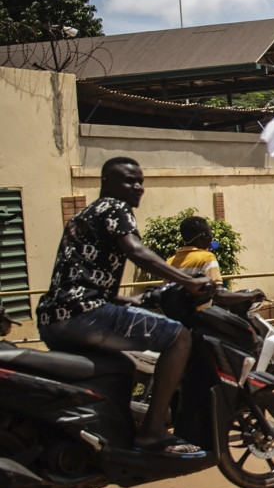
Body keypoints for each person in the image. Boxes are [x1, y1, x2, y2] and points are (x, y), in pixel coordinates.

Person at [37, 157, 214, 459]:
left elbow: (80, 278)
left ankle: (90, 464)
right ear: (106, 183)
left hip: (54, 318)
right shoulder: (114, 207)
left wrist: (129, 300)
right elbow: (136, 251)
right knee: (179, 337)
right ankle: (153, 431)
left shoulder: (84, 216)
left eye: (140, 181)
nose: (137, 187)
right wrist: (186, 281)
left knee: (117, 369)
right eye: (128, 181)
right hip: (86, 315)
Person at [168, 216, 260, 308]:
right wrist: (251, 296)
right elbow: (218, 295)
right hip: (199, 318)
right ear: (205, 237)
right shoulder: (206, 258)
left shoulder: (170, 261)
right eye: (210, 233)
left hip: (174, 318)